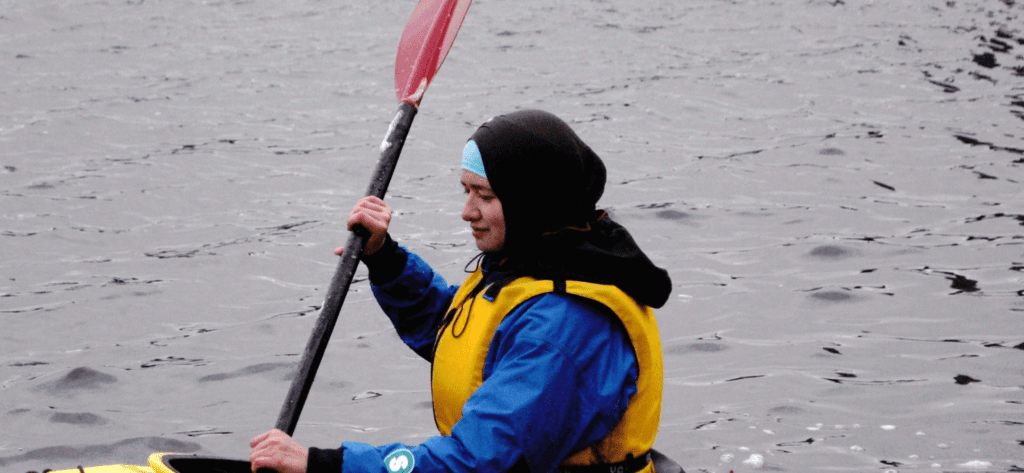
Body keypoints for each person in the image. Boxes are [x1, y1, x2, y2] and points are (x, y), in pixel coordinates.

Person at [250, 109, 673, 473]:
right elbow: (457, 333)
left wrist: (324, 464)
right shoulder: (533, 263)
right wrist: (385, 259)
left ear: (531, 201)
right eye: (466, 191)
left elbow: (477, 462)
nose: (467, 212)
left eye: (484, 196)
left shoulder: (564, 327)